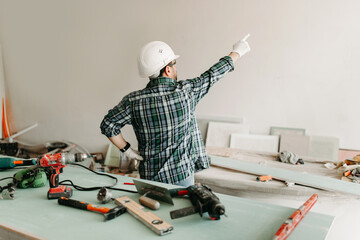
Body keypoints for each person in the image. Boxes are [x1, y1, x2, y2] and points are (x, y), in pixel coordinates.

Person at [100, 35, 251, 187]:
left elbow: (108, 124)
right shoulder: (185, 92)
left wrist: (127, 150)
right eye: (174, 64)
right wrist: (237, 52)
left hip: (148, 179)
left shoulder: (133, 101)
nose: (176, 68)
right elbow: (213, 74)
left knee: (150, 211)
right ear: (167, 69)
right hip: (181, 176)